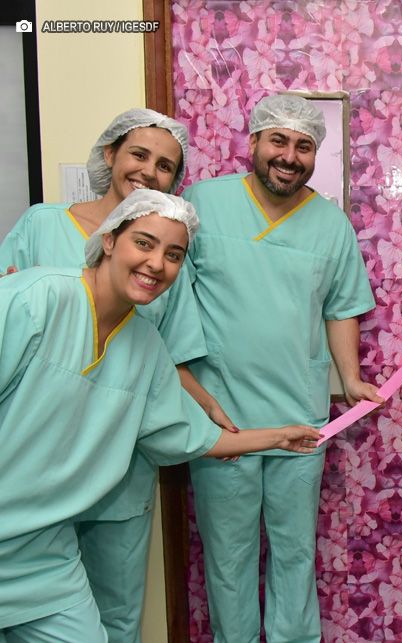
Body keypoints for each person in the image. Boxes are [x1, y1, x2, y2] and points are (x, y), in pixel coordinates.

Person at [0, 189, 319, 643]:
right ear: (110, 240)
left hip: (46, 559)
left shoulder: (146, 346)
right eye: (144, 243)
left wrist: (276, 438)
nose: (157, 264)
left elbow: (186, 436)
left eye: (174, 254)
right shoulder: (35, 299)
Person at [0, 108, 233, 643]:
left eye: (166, 166)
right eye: (139, 155)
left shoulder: (167, 255)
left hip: (111, 459)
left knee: (109, 618)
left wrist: (214, 416)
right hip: (26, 458)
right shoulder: (41, 231)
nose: (150, 171)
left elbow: (164, 357)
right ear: (109, 155)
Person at [181, 93, 379, 642]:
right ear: (254, 143)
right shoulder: (201, 204)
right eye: (279, 141)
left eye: (304, 145)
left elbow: (340, 308)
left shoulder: (330, 224)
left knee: (295, 554)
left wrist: (352, 376)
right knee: (229, 558)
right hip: (223, 417)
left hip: (300, 414)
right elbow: (166, 297)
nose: (289, 156)